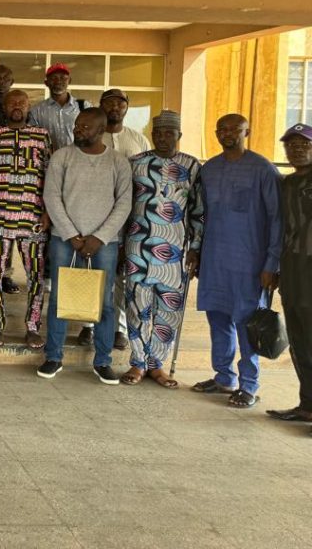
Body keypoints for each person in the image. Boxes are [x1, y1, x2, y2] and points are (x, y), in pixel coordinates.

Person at [191, 114, 281, 408]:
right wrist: (196, 252)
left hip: (249, 262)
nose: (228, 133)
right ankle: (223, 377)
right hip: (215, 259)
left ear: (247, 132)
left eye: (235, 129)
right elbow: (200, 215)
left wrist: (272, 264)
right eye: (222, 129)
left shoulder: (263, 169)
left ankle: (249, 385)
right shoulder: (209, 169)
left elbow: (277, 219)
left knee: (247, 323)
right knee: (218, 318)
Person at [36, 108, 132, 384]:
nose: (78, 130)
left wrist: (99, 237)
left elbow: (124, 202)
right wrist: (71, 235)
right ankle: (53, 356)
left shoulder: (117, 162)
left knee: (104, 302)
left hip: (104, 243)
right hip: (64, 240)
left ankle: (102, 361)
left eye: (85, 127)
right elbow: (51, 196)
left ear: (101, 130)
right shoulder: (62, 156)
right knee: (59, 298)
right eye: (77, 125)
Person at [120, 110, 203, 388]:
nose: (163, 138)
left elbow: (199, 211)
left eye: (169, 133)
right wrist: (120, 245)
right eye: (158, 133)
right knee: (137, 306)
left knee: (169, 309)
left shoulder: (192, 166)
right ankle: (138, 363)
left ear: (179, 135)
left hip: (176, 252)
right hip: (138, 247)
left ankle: (157, 365)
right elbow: (123, 206)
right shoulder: (136, 163)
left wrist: (196, 248)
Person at [79, 87, 152, 349]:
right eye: (109, 103)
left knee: (122, 273)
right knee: (92, 270)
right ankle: (88, 324)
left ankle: (119, 328)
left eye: (120, 103)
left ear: (127, 107)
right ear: (101, 106)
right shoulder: (91, 138)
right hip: (95, 214)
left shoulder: (138, 140)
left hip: (130, 216)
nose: (115, 107)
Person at [0, 90, 51, 349]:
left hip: (33, 219)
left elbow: (51, 176)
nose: (17, 106)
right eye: (12, 102)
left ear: (29, 106)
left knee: (36, 276)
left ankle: (32, 327)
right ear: (4, 107)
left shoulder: (42, 136)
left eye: (22, 102)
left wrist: (47, 212)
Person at [268, 123, 312, 427]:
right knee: (299, 340)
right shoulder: (286, 183)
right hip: (293, 270)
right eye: (291, 145)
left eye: (304, 145)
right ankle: (307, 405)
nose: (297, 150)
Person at [28, 63, 90, 151]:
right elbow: (34, 140)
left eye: (63, 77)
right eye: (53, 78)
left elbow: (92, 134)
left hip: (77, 157)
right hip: (49, 158)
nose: (58, 81)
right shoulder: (36, 111)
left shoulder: (84, 106)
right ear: (46, 83)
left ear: (69, 80)